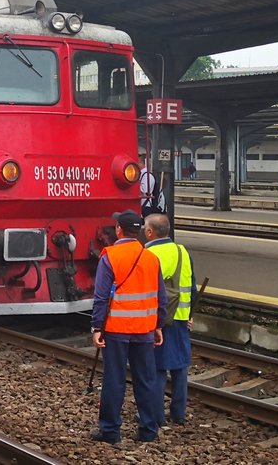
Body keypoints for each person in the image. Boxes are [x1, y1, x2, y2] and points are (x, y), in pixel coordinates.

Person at [89, 209, 167, 445]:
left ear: (119, 230)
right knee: (146, 380)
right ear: (140, 231)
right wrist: (158, 325)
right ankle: (148, 430)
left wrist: (96, 327)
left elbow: (101, 297)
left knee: (115, 380)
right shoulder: (151, 258)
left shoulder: (110, 257)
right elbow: (160, 299)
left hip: (117, 329)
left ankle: (110, 431)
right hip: (144, 329)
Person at [143, 213, 195, 425]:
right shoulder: (182, 251)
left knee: (158, 368)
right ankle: (178, 414)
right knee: (180, 367)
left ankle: (156, 416)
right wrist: (190, 314)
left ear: (149, 232)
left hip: (159, 320)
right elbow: (192, 286)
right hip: (181, 317)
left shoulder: (147, 253)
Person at [139, 151, 165, 217]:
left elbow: (145, 190)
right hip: (142, 205)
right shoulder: (141, 175)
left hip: (146, 206)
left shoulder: (147, 176)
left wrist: (132, 186)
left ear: (140, 163)